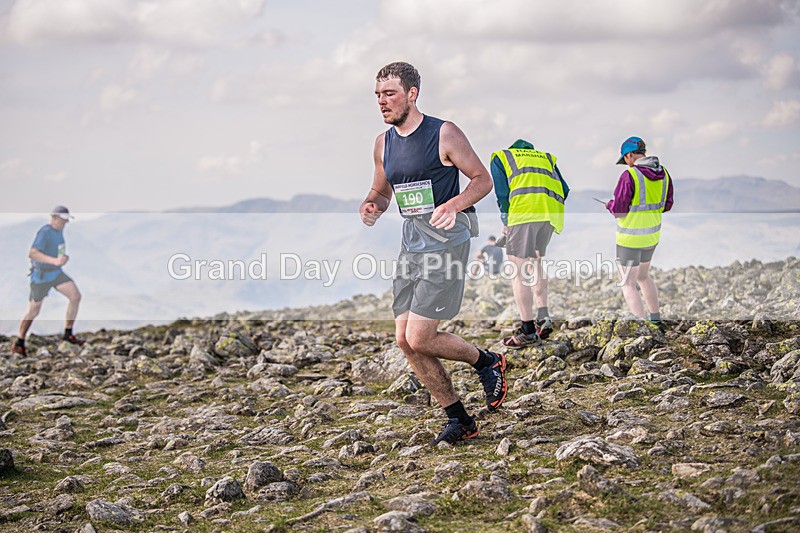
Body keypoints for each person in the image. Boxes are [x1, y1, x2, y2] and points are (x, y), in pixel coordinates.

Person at [360, 61, 506, 445]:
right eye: (377, 95)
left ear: (412, 94)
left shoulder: (444, 132)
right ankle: (459, 419)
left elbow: (482, 180)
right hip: (412, 244)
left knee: (421, 336)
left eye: (389, 94)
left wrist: (454, 204)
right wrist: (372, 205)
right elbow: (382, 191)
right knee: (404, 339)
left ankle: (487, 361)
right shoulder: (383, 143)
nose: (382, 102)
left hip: (447, 241)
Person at [490, 139, 569, 348]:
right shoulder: (546, 158)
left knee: (518, 271)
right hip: (549, 215)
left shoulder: (503, 157)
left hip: (523, 214)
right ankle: (543, 318)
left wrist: (507, 221)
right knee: (536, 263)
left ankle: (527, 331)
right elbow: (565, 189)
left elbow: (502, 193)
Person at [605, 136, 673, 332]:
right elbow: (667, 206)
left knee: (628, 283)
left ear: (629, 156)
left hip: (629, 238)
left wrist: (610, 206)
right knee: (644, 277)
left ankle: (642, 327)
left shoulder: (630, 176)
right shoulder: (664, 174)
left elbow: (619, 210)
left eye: (625, 159)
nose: (626, 163)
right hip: (651, 237)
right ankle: (656, 320)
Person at [11, 206, 85, 356]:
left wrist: (63, 259)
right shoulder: (45, 232)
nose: (64, 224)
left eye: (66, 221)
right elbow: (32, 253)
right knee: (33, 311)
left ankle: (68, 334)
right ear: (54, 218)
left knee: (75, 296)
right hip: (41, 277)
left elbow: (57, 253)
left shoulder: (59, 232)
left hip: (55, 274)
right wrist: (54, 261)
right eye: (62, 220)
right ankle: (19, 342)